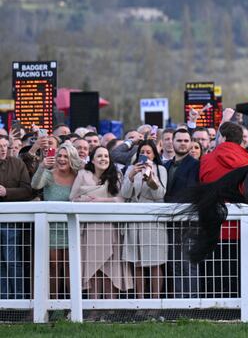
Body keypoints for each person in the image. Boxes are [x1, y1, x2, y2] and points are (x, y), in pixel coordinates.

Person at [199, 121, 248, 297]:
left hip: (213, 227)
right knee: (240, 275)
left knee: (213, 277)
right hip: (243, 230)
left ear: (223, 137)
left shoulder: (206, 159)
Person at [70, 146, 131, 299]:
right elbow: (73, 198)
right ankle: (94, 306)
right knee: (93, 268)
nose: (103, 159)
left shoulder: (116, 175)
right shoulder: (83, 174)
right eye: (99, 156)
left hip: (111, 227)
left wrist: (98, 199)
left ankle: (111, 307)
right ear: (92, 159)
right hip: (90, 228)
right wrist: (87, 198)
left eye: (106, 156)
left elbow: (122, 199)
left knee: (111, 268)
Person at [31, 142, 83, 299]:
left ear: (72, 158)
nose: (62, 159)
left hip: (71, 227)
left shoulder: (78, 176)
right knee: (53, 265)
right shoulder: (49, 174)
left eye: (66, 156)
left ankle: (70, 305)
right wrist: (42, 167)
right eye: (59, 155)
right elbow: (35, 185)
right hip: (51, 227)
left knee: (69, 266)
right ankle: (52, 302)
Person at [120, 140, 168, 299]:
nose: (145, 155)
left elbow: (160, 195)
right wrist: (131, 177)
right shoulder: (130, 170)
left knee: (155, 263)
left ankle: (155, 301)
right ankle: (140, 300)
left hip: (153, 221)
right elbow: (125, 194)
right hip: (134, 219)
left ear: (154, 154)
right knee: (137, 263)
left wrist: (151, 180)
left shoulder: (160, 169)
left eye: (149, 152)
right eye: (143, 152)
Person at [163, 128, 200, 297]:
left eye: (186, 141)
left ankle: (191, 303)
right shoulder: (166, 165)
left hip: (188, 221)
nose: (183, 144)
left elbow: (191, 191)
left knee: (188, 264)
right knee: (175, 264)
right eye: (179, 140)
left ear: (191, 143)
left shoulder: (196, 165)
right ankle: (179, 302)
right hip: (169, 222)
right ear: (172, 142)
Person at [0, 135, 33, 299]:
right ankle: (3, 301)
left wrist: (7, 192)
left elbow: (28, 190)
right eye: (0, 145)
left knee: (12, 261)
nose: (2, 148)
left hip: (11, 221)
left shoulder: (17, 164)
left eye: (5, 145)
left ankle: (18, 302)